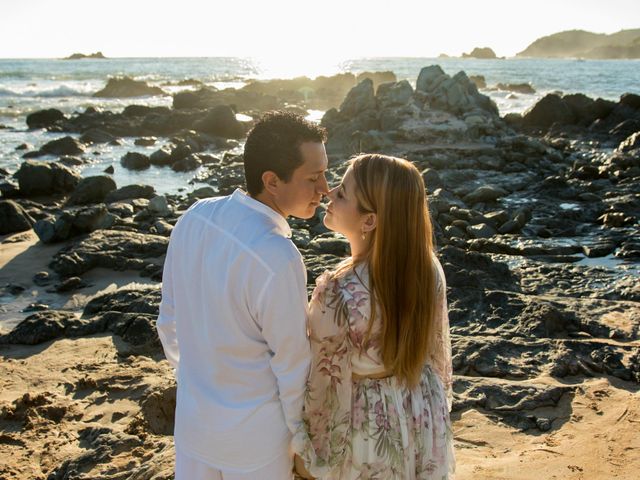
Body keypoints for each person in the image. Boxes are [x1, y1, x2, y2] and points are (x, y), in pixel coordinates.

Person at [157, 111, 329, 480]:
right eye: (314, 177)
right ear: (271, 181)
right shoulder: (277, 255)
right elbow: (292, 363)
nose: (326, 189)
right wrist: (301, 438)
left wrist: (199, 380)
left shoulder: (194, 216)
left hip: (193, 427)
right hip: (256, 442)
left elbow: (168, 322)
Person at [293, 154, 455, 479]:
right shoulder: (428, 267)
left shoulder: (337, 291)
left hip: (368, 421)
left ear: (369, 221)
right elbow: (437, 350)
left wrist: (306, 446)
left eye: (342, 193)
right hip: (419, 404)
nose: (329, 192)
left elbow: (324, 382)